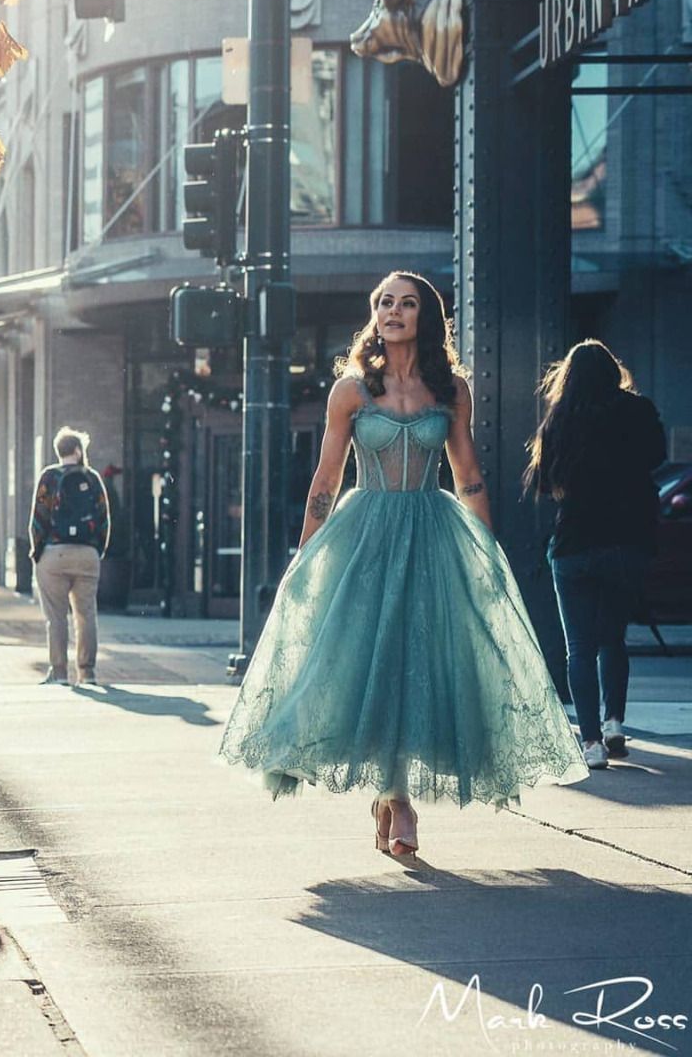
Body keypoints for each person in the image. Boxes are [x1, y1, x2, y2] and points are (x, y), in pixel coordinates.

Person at [218, 272, 588, 858]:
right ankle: (398, 800)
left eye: (407, 303)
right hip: (364, 537)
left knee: (424, 663)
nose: (393, 311)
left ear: (425, 317)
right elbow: (326, 478)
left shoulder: (451, 391)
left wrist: (486, 552)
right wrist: (306, 553)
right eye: (384, 302)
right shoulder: (352, 391)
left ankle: (394, 796)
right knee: (376, 662)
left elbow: (467, 475)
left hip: (433, 535)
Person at [524, 339, 667, 770]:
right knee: (612, 639)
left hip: (574, 545)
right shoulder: (638, 411)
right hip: (627, 542)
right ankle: (615, 723)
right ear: (612, 371)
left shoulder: (560, 419)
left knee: (579, 649)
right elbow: (657, 457)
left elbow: (546, 484)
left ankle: (590, 743)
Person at [30, 426, 110, 687]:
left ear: (59, 451)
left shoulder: (49, 477)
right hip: (87, 554)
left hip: (54, 553)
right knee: (86, 614)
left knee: (56, 616)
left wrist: (37, 550)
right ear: (78, 450)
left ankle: (60, 673)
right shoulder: (93, 477)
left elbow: (38, 518)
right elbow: (104, 518)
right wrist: (97, 550)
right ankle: (87, 673)